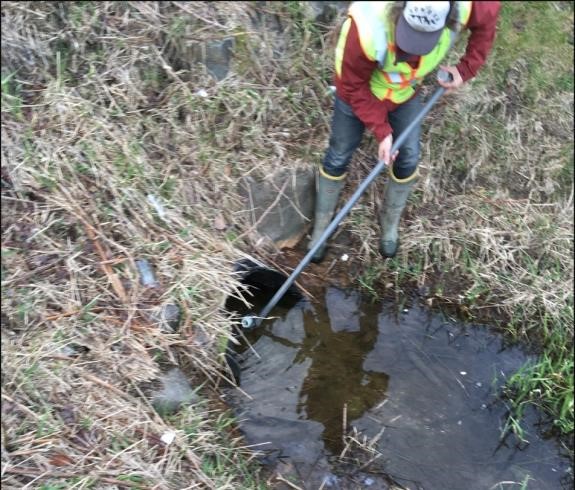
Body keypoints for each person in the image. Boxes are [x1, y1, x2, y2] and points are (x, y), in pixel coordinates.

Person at [308, 1, 501, 262]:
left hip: (405, 92)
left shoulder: (467, 6)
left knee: (408, 157)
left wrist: (466, 69)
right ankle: (321, 228)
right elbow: (352, 85)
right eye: (410, 36)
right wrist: (381, 130)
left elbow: (486, 24)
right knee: (339, 153)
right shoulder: (366, 26)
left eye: (425, 40)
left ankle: (389, 224)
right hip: (358, 91)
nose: (413, 49)